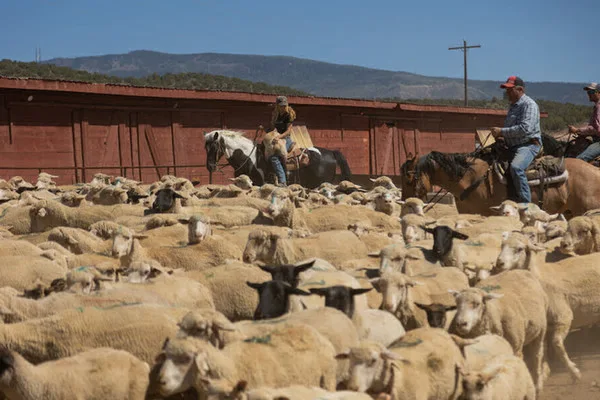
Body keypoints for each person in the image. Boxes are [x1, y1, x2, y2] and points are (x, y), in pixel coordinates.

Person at [490, 76, 542, 204]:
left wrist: (502, 131)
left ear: (520, 89)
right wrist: (502, 137)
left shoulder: (529, 104)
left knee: (516, 168)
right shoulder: (513, 106)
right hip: (512, 146)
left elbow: (526, 129)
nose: (507, 92)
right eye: (506, 90)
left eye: (509, 89)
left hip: (528, 146)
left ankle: (526, 205)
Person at [269, 95, 296, 186]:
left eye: (285, 105)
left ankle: (282, 181)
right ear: (277, 106)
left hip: (286, 139)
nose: (284, 107)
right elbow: (273, 127)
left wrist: (279, 137)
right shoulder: (276, 115)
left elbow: (288, 131)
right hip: (276, 137)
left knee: (275, 157)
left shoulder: (289, 115)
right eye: (281, 105)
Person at [570, 82, 600, 162]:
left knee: (578, 160)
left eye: (591, 92)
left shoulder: (599, 106)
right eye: (588, 92)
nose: (589, 94)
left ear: (599, 93)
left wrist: (577, 130)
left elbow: (597, 129)